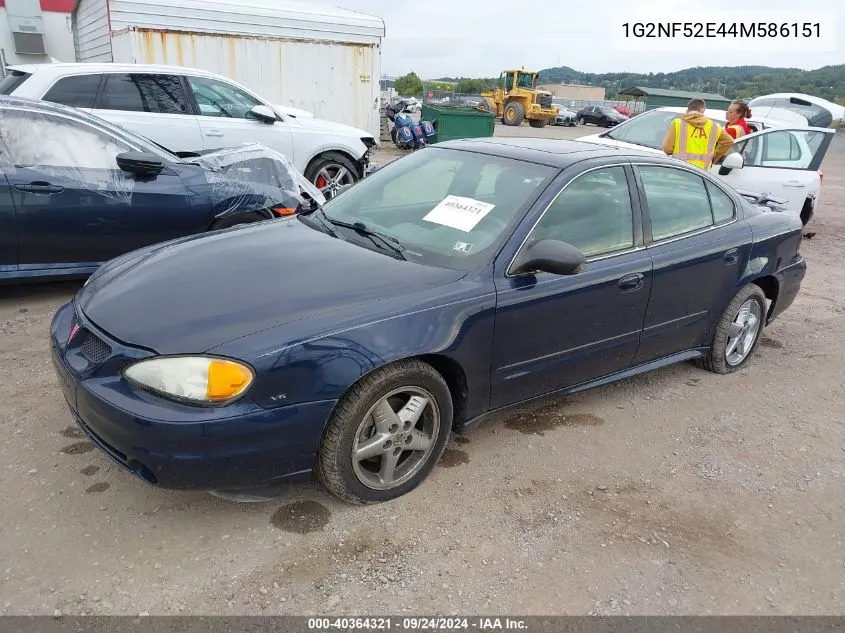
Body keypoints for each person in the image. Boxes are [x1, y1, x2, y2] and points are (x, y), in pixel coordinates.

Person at [662, 98, 734, 170]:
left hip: (680, 171)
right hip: (702, 175)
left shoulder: (677, 123)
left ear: (687, 111)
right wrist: (714, 157)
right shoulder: (715, 127)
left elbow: (667, 149)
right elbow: (729, 141)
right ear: (702, 111)